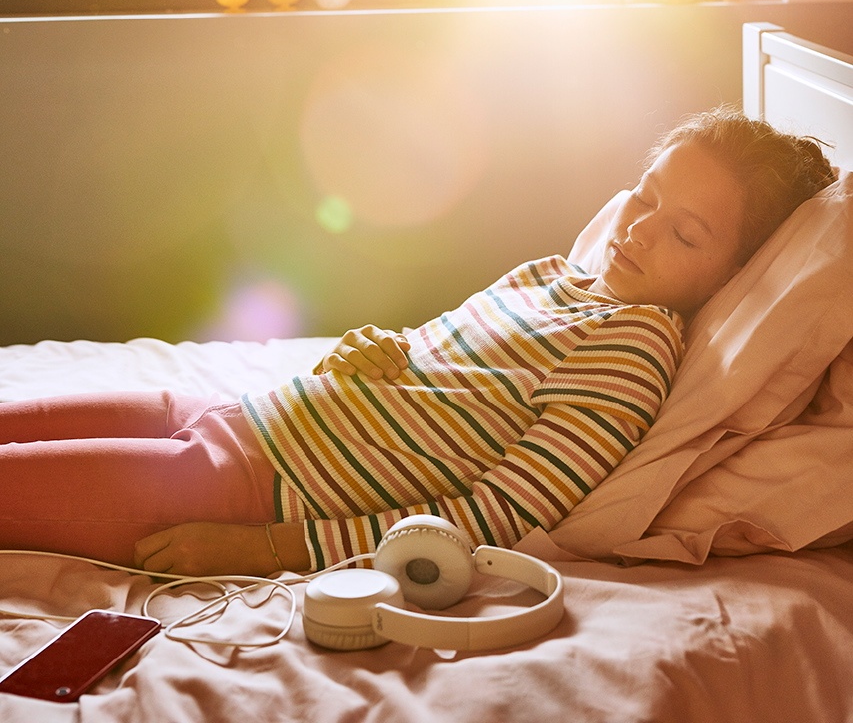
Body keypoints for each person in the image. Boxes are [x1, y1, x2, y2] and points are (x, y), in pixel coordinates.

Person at [0, 108, 835, 578]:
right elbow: (434, 366)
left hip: (246, 487)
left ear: (732, 277)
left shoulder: (630, 351)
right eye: (645, 198)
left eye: (684, 234)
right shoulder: (553, 273)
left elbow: (499, 516)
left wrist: (267, 549)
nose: (640, 233)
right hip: (229, 412)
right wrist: (374, 348)